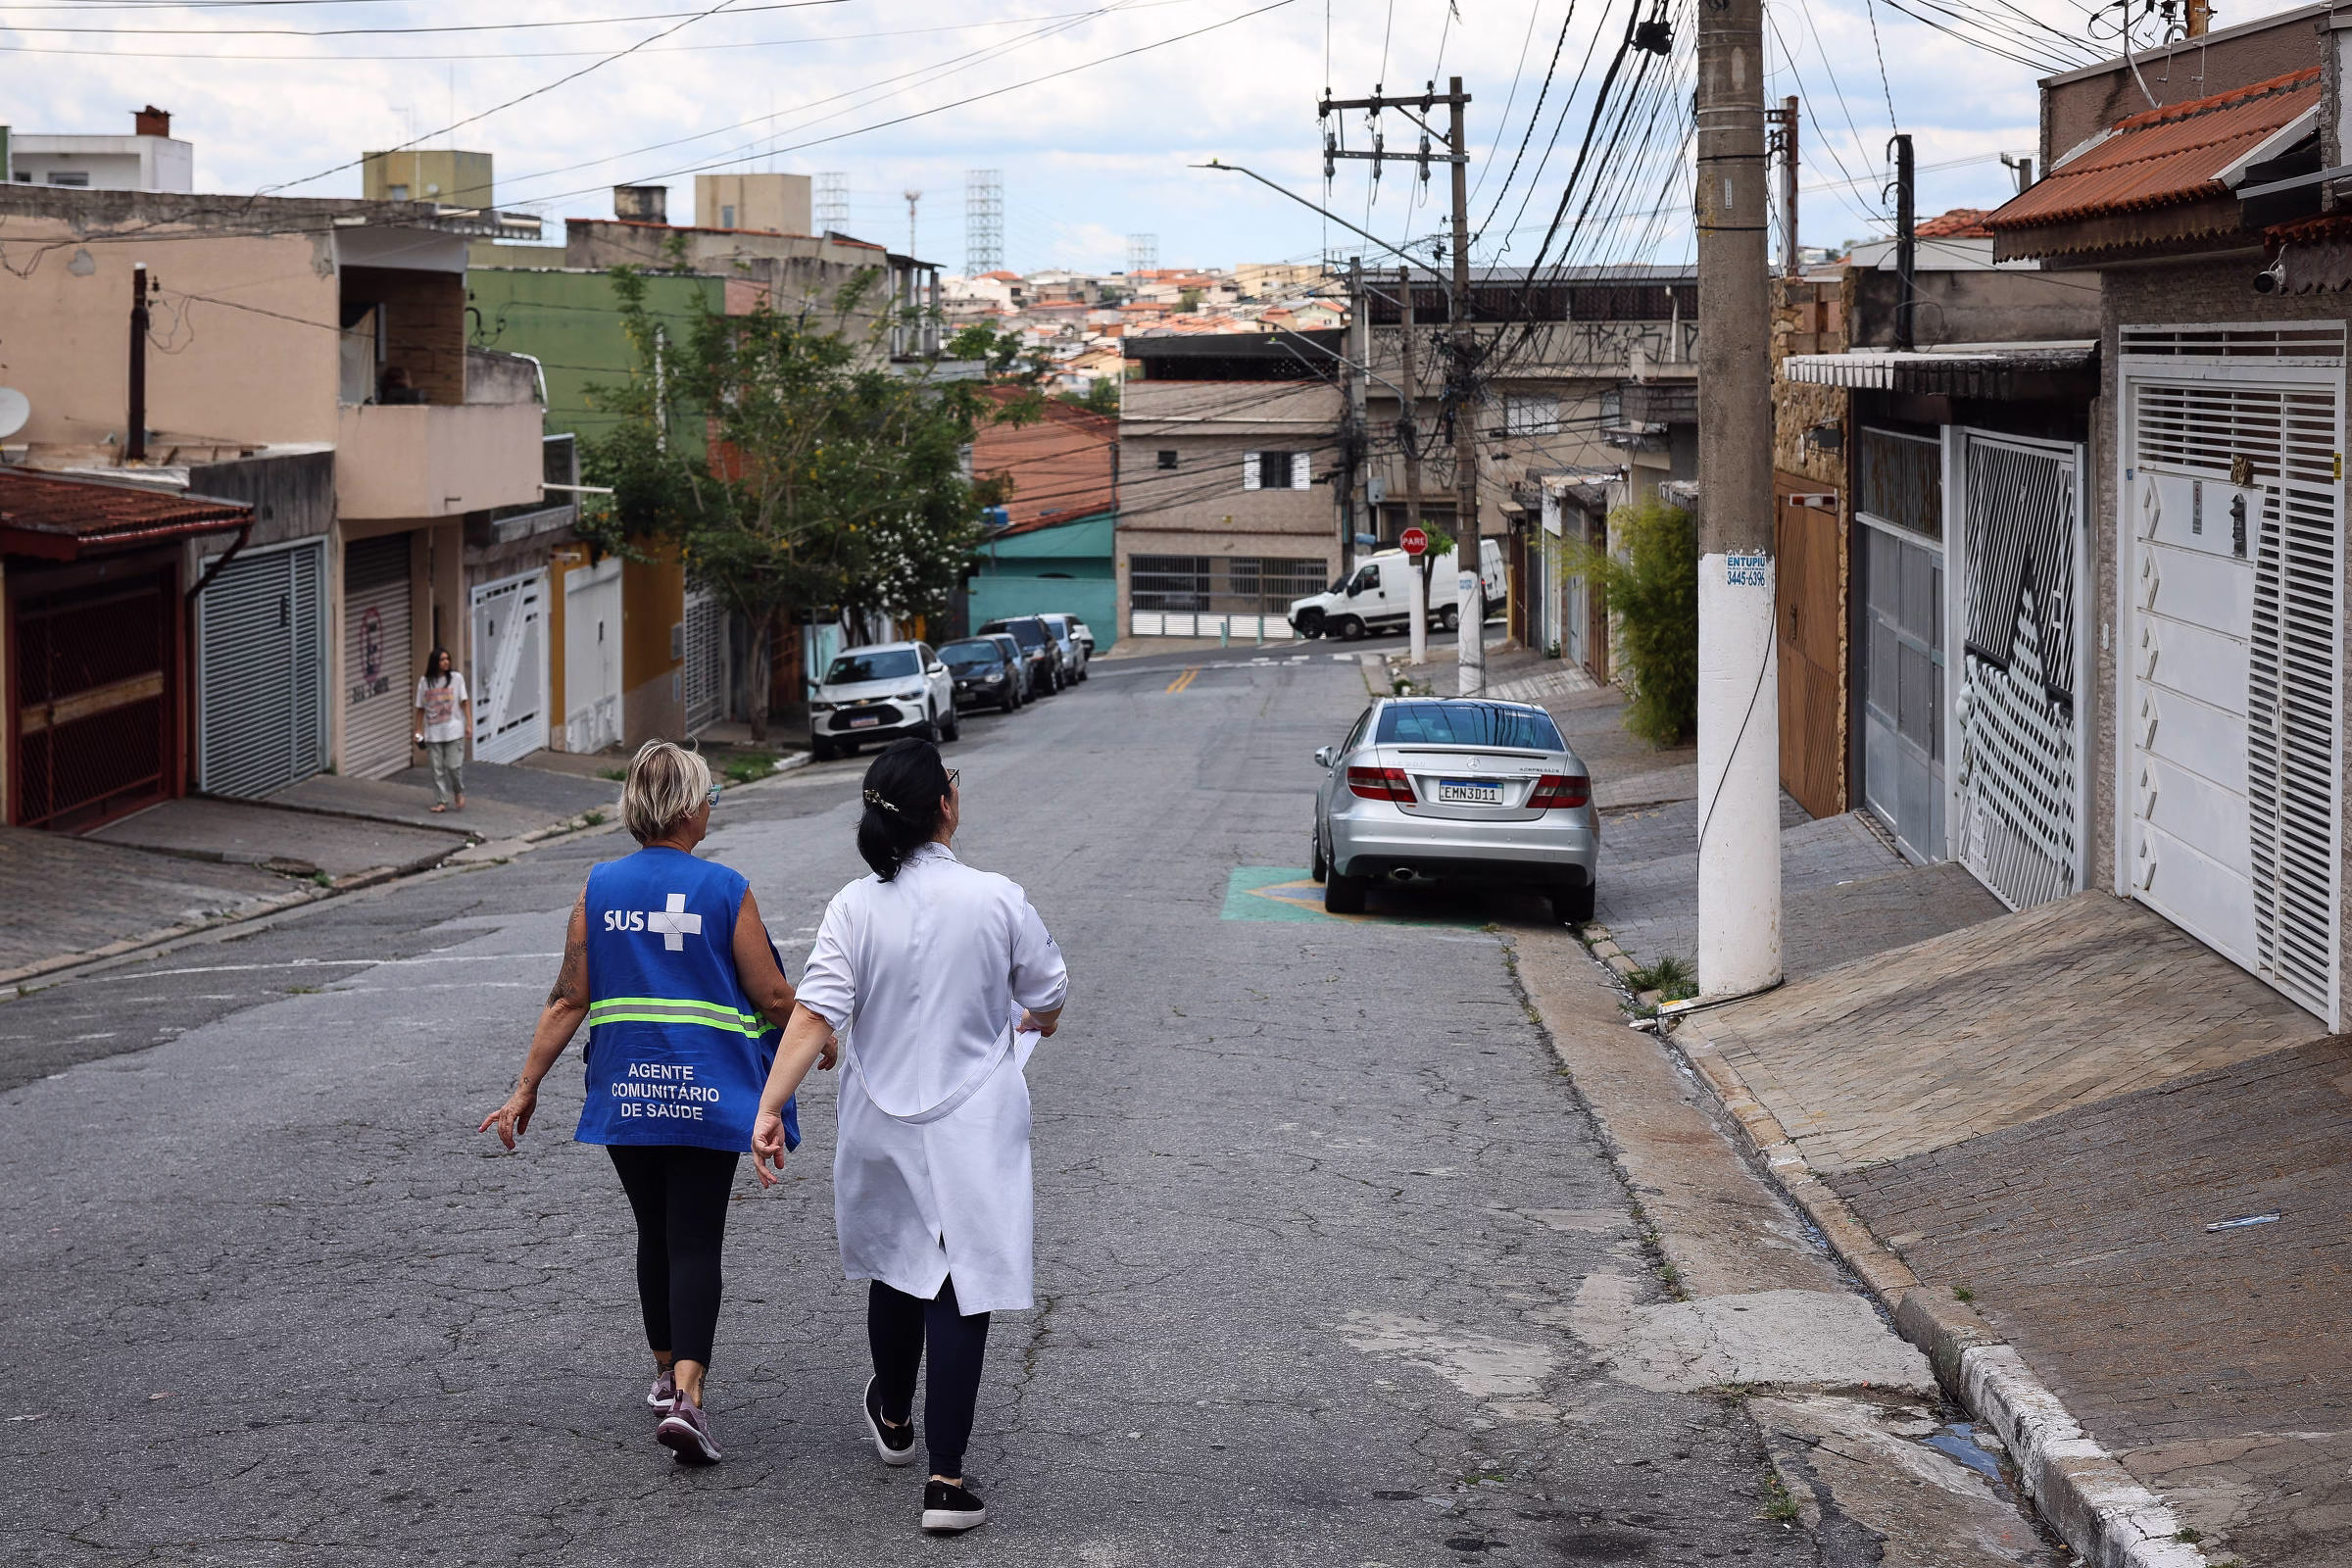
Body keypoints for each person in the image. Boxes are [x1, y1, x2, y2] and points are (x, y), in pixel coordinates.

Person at [477, 740, 828, 1465]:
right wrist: (813, 1030)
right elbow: (768, 995)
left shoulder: (598, 887)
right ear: (690, 806)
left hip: (627, 1094)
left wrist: (523, 1090)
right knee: (696, 1238)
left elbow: (569, 997)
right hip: (707, 1093)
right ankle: (690, 1401)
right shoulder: (724, 888)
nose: (710, 808)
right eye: (709, 796)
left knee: (654, 1233)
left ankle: (666, 1374)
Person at [751, 738, 1068, 1536]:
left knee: (897, 1265)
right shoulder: (997, 897)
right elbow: (1048, 988)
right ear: (946, 808)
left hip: (880, 1119)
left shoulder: (854, 906)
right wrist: (1043, 1018)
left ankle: (894, 1417)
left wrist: (769, 1106)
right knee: (961, 1286)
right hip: (973, 1122)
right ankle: (947, 1483)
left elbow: (815, 1015)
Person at [413, 648, 470, 813]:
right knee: (436, 769)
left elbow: (464, 702)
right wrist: (418, 731)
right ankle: (441, 801)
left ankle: (458, 791)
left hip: (454, 731)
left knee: (453, 767)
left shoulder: (456, 678)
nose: (446, 662)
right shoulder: (424, 682)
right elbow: (420, 709)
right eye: (442, 659)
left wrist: (469, 724)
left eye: (447, 659)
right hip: (433, 733)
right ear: (435, 662)